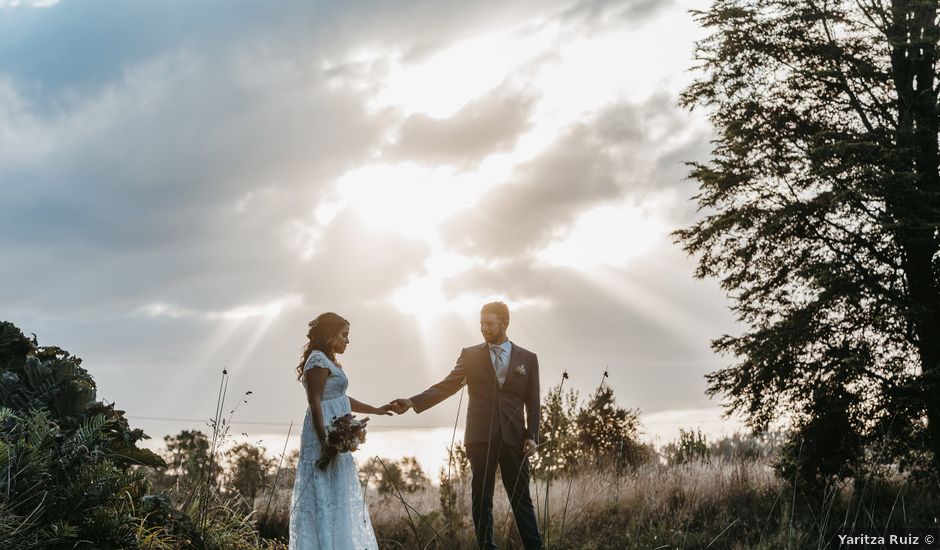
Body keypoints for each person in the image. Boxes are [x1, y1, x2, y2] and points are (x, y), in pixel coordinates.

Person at [389, 302, 544, 550]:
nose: (483, 328)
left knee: (521, 499)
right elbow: (447, 385)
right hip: (480, 437)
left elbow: (533, 403)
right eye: (481, 322)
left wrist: (532, 435)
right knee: (482, 498)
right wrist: (413, 401)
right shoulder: (471, 355)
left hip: (515, 439)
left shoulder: (528, 358)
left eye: (489, 323)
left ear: (504, 323)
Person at [289, 312, 391, 550]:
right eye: (344, 335)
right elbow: (315, 402)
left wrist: (375, 409)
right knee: (323, 492)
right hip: (322, 432)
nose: (347, 340)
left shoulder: (329, 361)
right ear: (329, 334)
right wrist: (324, 439)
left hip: (335, 430)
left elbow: (341, 398)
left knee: (338, 493)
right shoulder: (316, 361)